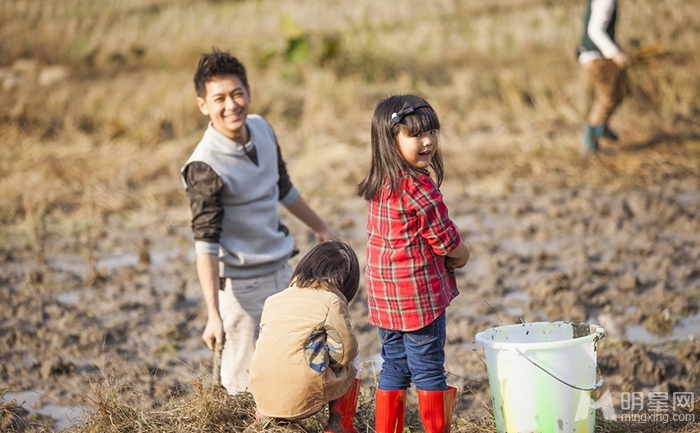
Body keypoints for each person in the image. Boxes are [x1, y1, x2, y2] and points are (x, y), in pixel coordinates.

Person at [181, 48, 336, 394]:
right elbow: (205, 244)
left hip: (284, 271)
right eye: (219, 98)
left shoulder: (262, 128)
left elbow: (282, 187)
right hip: (241, 288)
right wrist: (213, 313)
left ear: (248, 92)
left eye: (237, 94)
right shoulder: (204, 166)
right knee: (243, 384)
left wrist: (320, 227)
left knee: (290, 367)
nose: (231, 105)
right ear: (203, 105)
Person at [357, 94, 471, 433]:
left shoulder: (380, 184)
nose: (428, 141)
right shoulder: (419, 188)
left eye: (433, 132)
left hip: (386, 302)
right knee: (429, 370)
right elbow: (447, 241)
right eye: (416, 134)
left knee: (394, 365)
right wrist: (462, 256)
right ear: (390, 141)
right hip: (419, 303)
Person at [249, 240, 362, 433]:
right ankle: (340, 424)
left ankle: (263, 417)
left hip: (262, 393)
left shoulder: (273, 300)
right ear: (347, 284)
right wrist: (329, 364)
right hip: (304, 394)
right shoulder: (332, 302)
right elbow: (345, 353)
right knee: (356, 354)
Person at [577, 0, 630, 153]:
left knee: (616, 95)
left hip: (594, 56)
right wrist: (615, 53)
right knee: (607, 99)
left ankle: (601, 126)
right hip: (598, 58)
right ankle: (591, 141)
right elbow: (595, 31)